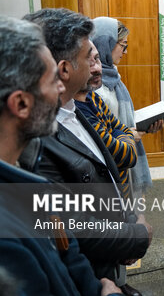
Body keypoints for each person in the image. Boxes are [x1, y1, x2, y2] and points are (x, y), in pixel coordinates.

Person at [20, 8, 151, 293]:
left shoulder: (76, 108)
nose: (96, 67)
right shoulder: (38, 139)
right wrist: (136, 235)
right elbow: (70, 227)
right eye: (87, 59)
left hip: (108, 256)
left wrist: (127, 229)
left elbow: (110, 169)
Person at [0, 16, 122, 296]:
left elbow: (66, 251)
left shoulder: (23, 178)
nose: (60, 89)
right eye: (52, 79)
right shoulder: (7, 241)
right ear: (20, 103)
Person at [91, 17, 162, 201]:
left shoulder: (113, 76)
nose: (126, 51)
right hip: (113, 166)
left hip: (125, 153)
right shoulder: (95, 87)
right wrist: (132, 133)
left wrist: (143, 127)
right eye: (123, 45)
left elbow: (118, 123)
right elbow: (100, 138)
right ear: (105, 44)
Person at [75, 42, 137, 199]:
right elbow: (126, 155)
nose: (96, 68)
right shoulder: (77, 111)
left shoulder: (92, 96)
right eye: (88, 62)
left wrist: (120, 134)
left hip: (122, 194)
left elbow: (119, 127)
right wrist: (125, 137)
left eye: (97, 59)